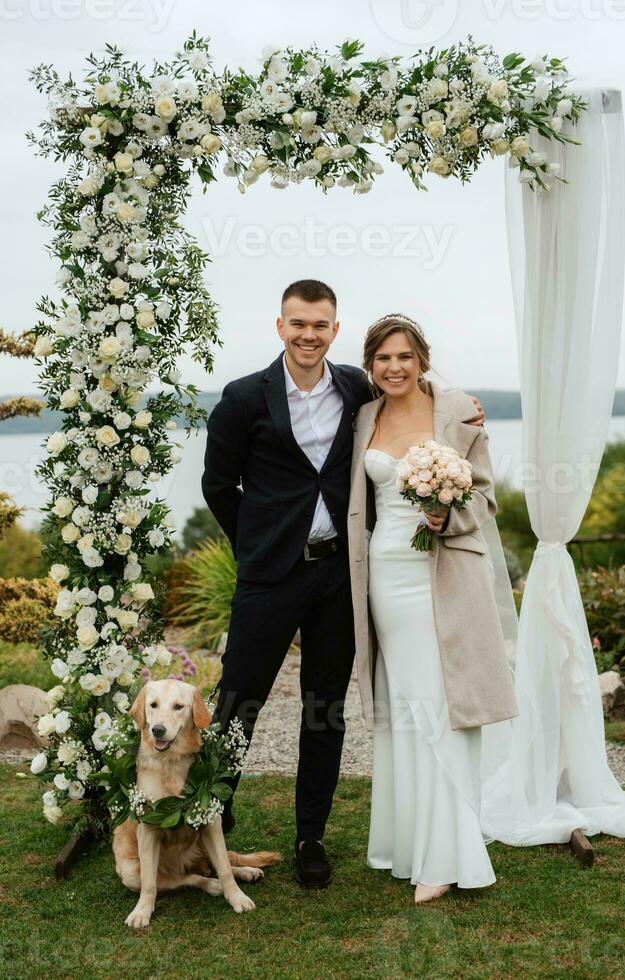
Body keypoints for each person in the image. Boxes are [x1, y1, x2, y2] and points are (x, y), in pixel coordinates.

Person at [201, 282, 486, 889]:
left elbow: (414, 390)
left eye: (321, 325)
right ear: (279, 325)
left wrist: (466, 409)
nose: (309, 334)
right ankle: (211, 825)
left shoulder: (356, 387)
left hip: (341, 576)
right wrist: (258, 543)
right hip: (268, 576)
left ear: (334, 330)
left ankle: (311, 837)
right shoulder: (242, 397)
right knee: (236, 702)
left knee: (323, 711)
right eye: (299, 323)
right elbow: (219, 488)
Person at [347, 313, 519, 903]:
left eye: (405, 357)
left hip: (442, 573)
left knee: (444, 705)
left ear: (422, 359)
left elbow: (487, 493)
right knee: (407, 706)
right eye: (383, 359)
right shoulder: (363, 416)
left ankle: (448, 854)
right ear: (370, 365)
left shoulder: (458, 413)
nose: (394, 368)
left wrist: (450, 513)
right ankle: (409, 839)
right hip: (384, 577)